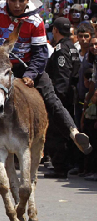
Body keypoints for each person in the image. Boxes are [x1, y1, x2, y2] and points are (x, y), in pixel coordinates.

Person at [0, 0, 92, 171]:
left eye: (21, 0)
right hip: (0, 65)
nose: (17, 4)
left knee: (51, 98)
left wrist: (30, 74)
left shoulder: (35, 20)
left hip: (27, 66)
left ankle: (74, 133)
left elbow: (40, 53)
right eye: (13, 0)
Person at [44, 18, 81, 178]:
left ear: (56, 31)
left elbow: (62, 78)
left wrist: (55, 100)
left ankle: (60, 166)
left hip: (61, 97)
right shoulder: (72, 47)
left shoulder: (61, 49)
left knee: (57, 131)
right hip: (71, 95)